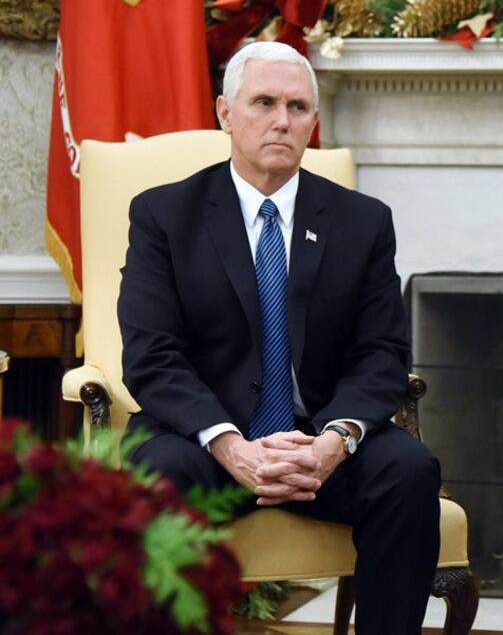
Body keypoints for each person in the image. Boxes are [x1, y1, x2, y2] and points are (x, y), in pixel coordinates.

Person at [118, 41, 440, 634]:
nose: (281, 120)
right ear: (225, 113)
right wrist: (230, 445)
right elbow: (152, 354)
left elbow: (382, 353)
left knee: (409, 469)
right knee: (155, 474)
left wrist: (334, 442)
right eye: (263, 102)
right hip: (206, 443)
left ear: (313, 123)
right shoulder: (165, 215)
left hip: (320, 443)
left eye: (297, 107)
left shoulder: (362, 221)